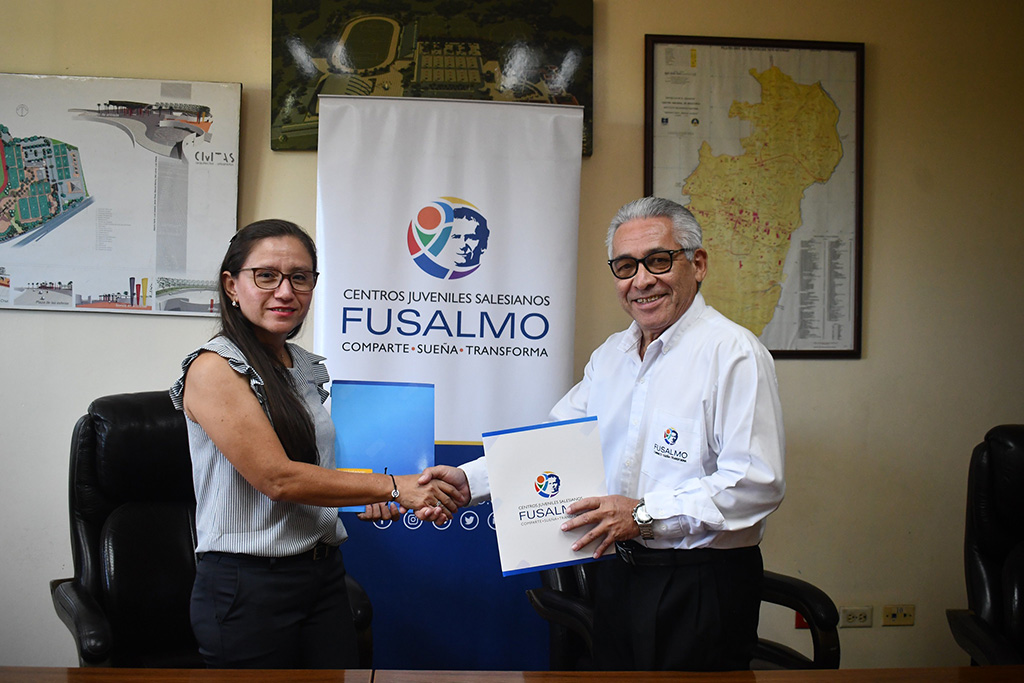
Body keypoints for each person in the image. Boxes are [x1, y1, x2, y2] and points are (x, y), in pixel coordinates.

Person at [412, 197, 786, 671]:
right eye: (625, 267)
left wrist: (647, 514)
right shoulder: (611, 356)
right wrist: (471, 482)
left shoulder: (734, 354)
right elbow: (553, 441)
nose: (642, 280)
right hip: (620, 574)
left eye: (658, 260)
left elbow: (757, 481)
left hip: (701, 585)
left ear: (699, 264)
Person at [169, 219, 462, 669]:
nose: (285, 291)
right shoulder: (215, 368)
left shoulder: (298, 365)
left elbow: (321, 468)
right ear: (231, 284)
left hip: (322, 574)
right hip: (249, 587)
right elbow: (278, 479)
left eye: (300, 277)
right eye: (266, 275)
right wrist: (393, 487)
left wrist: (364, 496)